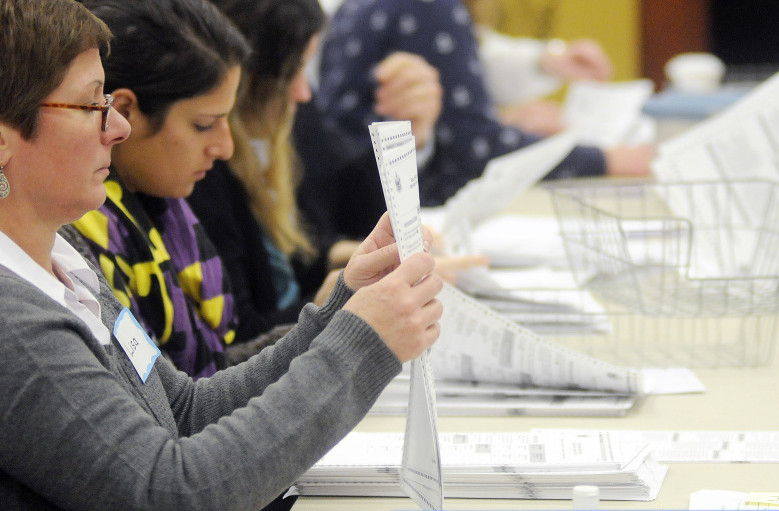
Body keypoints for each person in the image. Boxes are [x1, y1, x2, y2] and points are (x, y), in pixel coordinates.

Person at [0, 0, 442, 509]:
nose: (117, 129)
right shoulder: (15, 322)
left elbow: (183, 410)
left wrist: (343, 311)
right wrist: (361, 344)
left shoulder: (63, 260)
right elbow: (170, 493)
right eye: (90, 105)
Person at [188, 0, 482, 344]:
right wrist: (328, 303)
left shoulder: (288, 111)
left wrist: (411, 133)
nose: (303, 92)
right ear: (245, 75)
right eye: (295, 69)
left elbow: (320, 226)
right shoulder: (199, 165)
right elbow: (233, 342)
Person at [316, 0, 653, 207]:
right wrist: (605, 159)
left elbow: (459, 101)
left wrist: (504, 118)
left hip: (349, 207)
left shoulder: (357, 6)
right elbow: (472, 150)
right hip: (393, 217)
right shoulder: (430, 7)